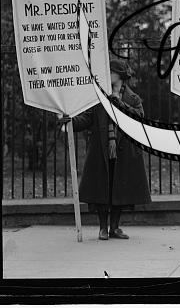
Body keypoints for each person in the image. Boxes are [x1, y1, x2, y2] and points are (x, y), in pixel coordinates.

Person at [58, 59, 151, 240]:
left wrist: (120, 103)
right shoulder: (99, 97)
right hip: (101, 151)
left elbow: (140, 118)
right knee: (102, 189)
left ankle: (114, 227)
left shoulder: (133, 98)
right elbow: (86, 120)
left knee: (119, 190)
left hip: (125, 152)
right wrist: (69, 120)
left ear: (120, 76)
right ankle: (102, 228)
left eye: (111, 72)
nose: (108, 75)